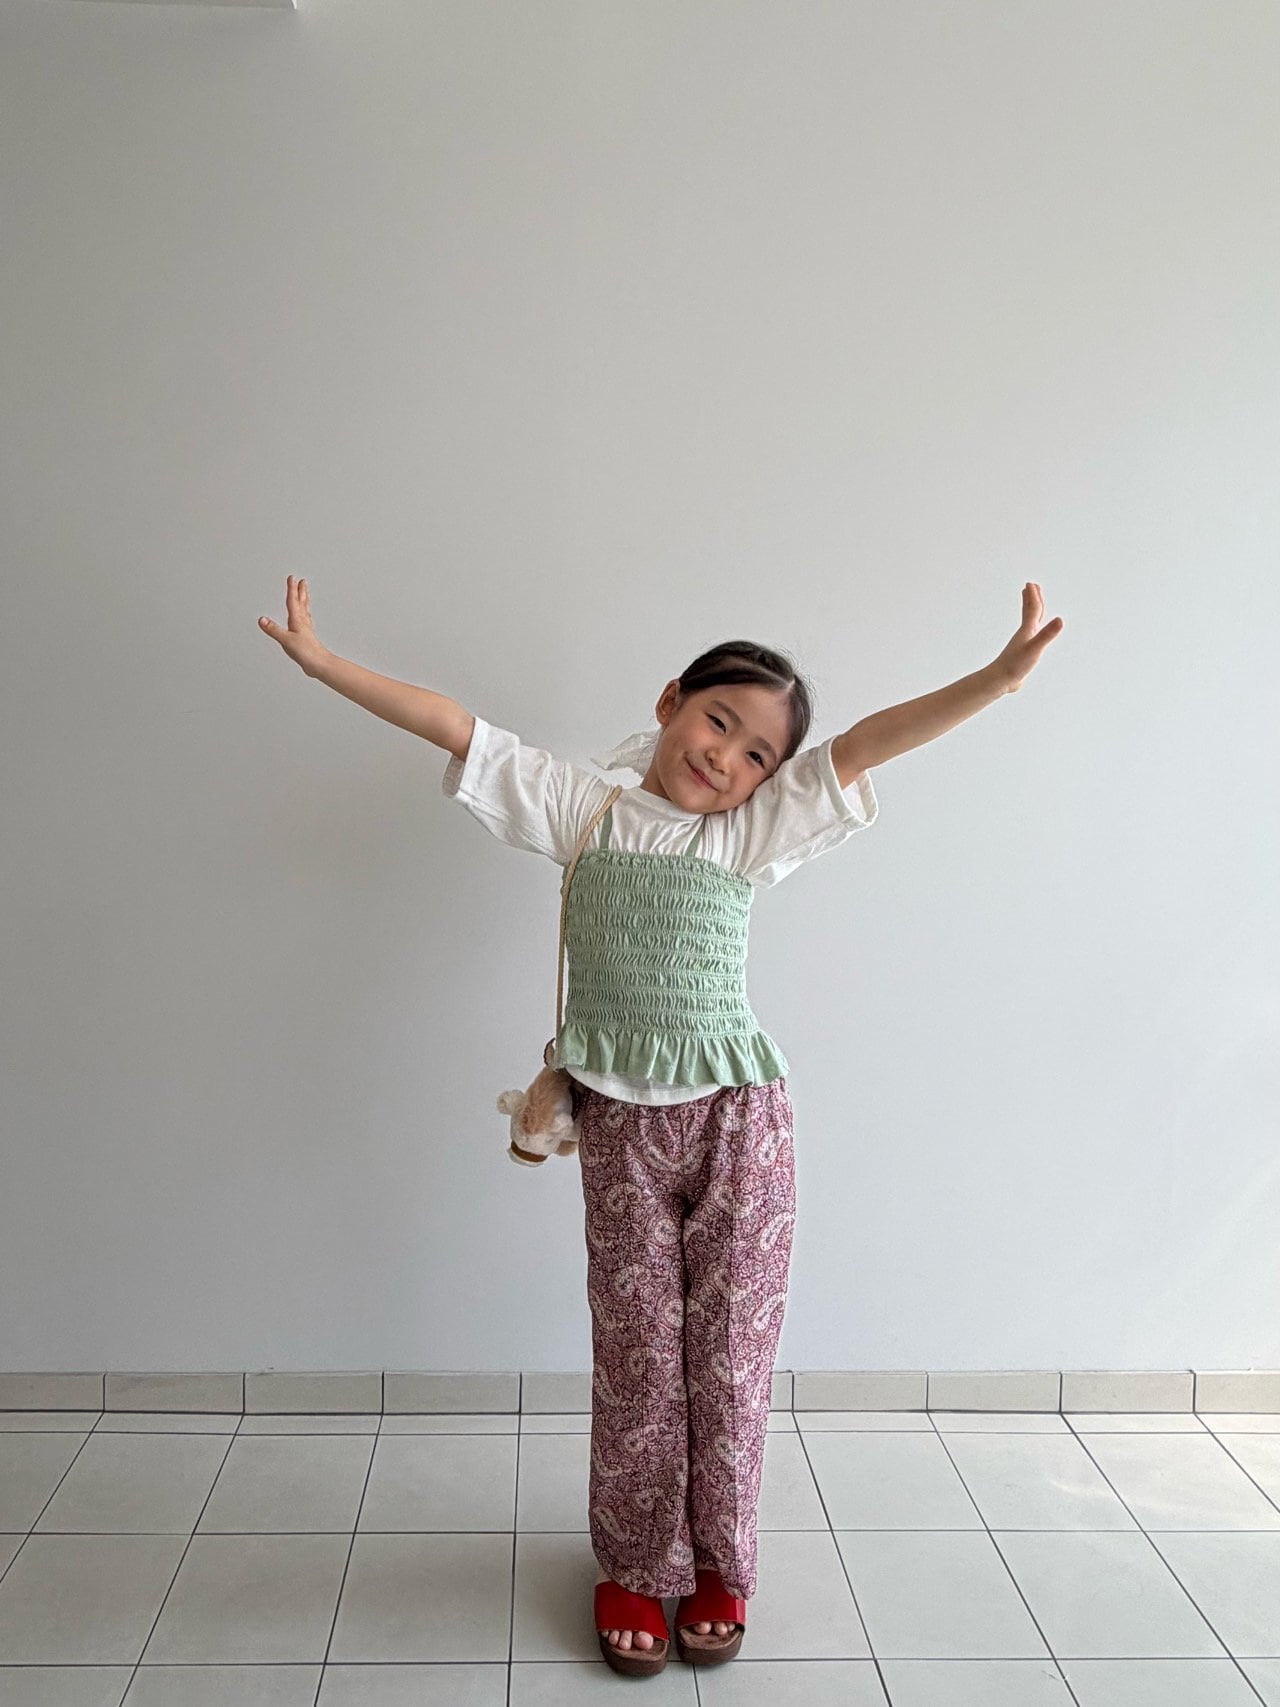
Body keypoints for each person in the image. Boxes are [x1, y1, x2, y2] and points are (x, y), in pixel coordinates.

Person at [259, 575, 1062, 1676]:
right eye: (717, 722)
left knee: (727, 1360)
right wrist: (322, 663)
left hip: (740, 1126)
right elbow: (456, 728)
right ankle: (638, 1564)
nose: (725, 759)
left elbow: (868, 744)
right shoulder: (579, 809)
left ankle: (721, 1561)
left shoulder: (747, 835)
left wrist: (996, 680)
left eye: (756, 755)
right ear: (671, 699)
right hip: (621, 1134)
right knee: (638, 1359)